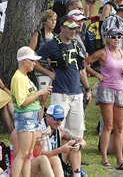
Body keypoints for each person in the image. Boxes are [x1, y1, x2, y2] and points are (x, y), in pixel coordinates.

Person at [35, 18, 91, 141]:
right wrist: (49, 73)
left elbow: (81, 69)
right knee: (58, 129)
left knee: (76, 131)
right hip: (61, 93)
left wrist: (87, 89)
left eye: (74, 28)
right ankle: (58, 157)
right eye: (70, 28)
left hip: (76, 93)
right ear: (62, 28)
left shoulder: (76, 44)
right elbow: (34, 60)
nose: (73, 31)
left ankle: (73, 158)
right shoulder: (52, 44)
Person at [84, 28, 123, 171]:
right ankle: (104, 157)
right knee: (108, 125)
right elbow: (85, 63)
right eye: (113, 37)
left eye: (119, 36)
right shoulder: (103, 53)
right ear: (107, 38)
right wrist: (97, 75)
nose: (116, 39)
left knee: (119, 127)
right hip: (106, 89)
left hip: (120, 89)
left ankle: (119, 160)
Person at [10, 47, 52, 177]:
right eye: (32, 61)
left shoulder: (25, 77)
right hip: (25, 118)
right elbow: (22, 102)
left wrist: (41, 95)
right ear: (24, 61)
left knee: (28, 154)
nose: (35, 63)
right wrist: (40, 92)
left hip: (32, 118)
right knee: (23, 153)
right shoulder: (18, 78)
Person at [38, 104, 84, 177]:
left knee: (74, 144)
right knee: (54, 159)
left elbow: (81, 140)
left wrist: (80, 145)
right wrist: (60, 150)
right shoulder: (39, 130)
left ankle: (77, 175)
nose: (59, 122)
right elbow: (39, 155)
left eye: (61, 119)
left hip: (55, 162)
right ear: (47, 117)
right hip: (40, 164)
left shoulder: (60, 130)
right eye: (56, 119)